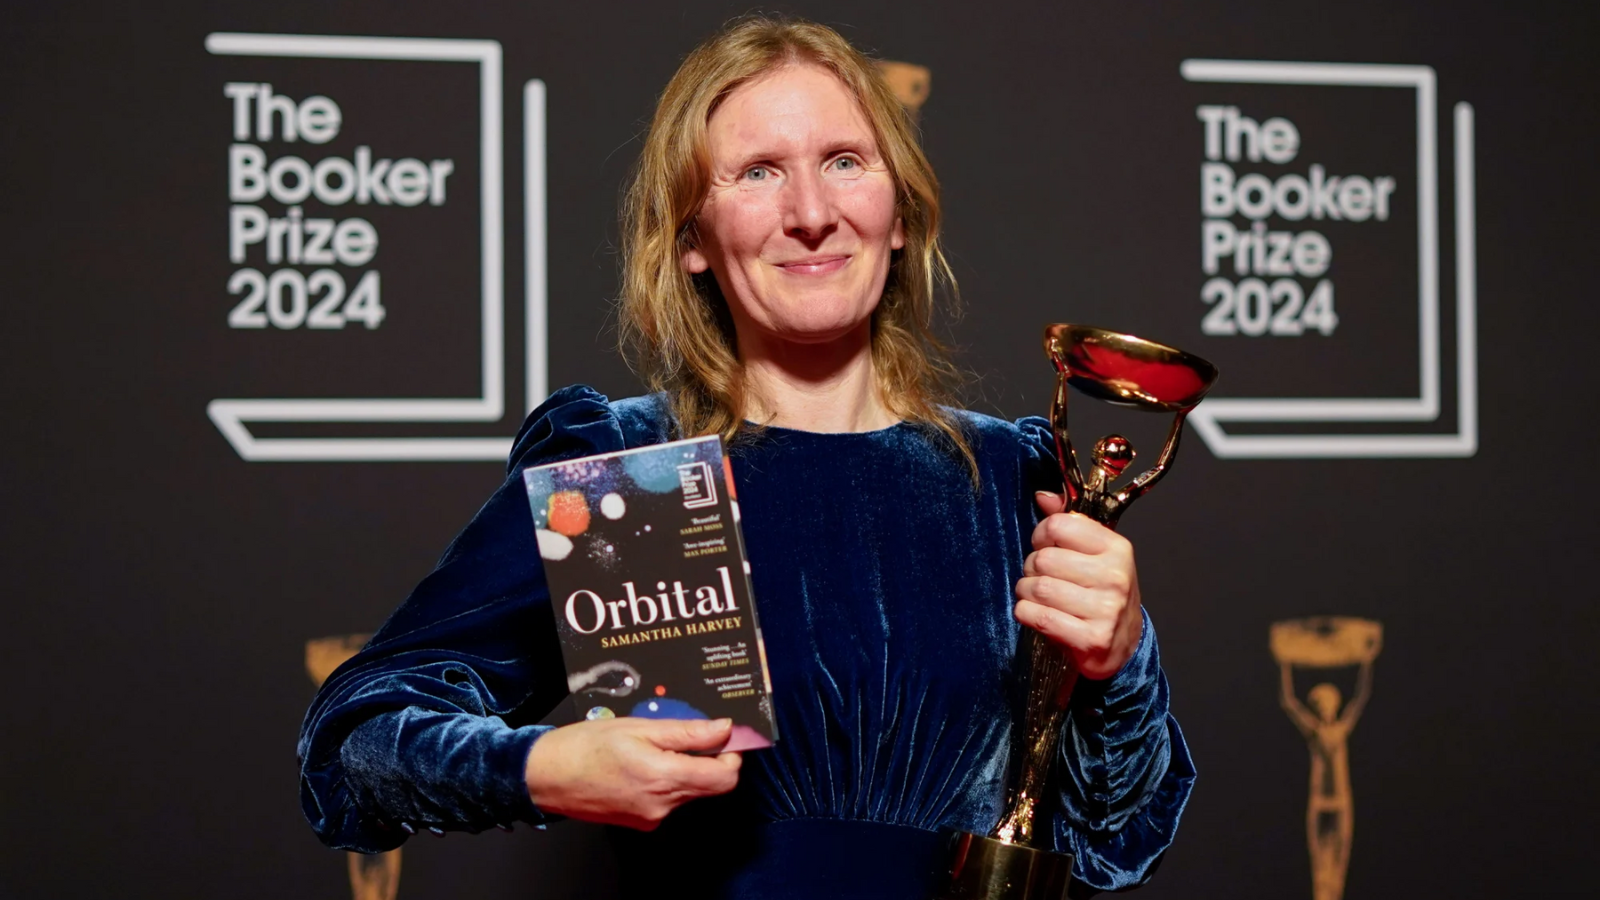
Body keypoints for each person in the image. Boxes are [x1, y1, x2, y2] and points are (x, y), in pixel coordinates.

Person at [299, 16, 1193, 899]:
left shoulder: (1012, 480)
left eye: (845, 161)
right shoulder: (633, 472)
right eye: (759, 173)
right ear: (691, 240)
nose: (812, 214)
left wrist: (1122, 662)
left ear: (900, 216)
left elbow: (1115, 841)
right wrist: (537, 766)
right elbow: (351, 750)